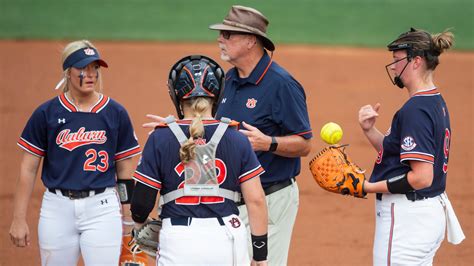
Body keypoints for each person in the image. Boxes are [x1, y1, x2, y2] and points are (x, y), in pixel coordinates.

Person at [9, 40, 142, 265]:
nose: (90, 74)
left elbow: (125, 173)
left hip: (102, 208)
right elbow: (28, 168)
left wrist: (129, 221)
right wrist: (18, 219)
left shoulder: (115, 113)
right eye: (83, 68)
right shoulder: (47, 113)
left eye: (95, 68)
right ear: (68, 72)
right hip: (56, 209)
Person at [130, 55, 268, 265]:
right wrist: (260, 255)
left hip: (179, 241)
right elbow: (256, 200)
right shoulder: (237, 138)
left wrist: (141, 223)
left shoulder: (160, 138)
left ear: (176, 95)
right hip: (229, 239)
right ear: (217, 94)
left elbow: (141, 203)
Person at [208, 5, 313, 265]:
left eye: (228, 35)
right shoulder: (227, 81)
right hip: (231, 200)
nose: (220, 39)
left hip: (271, 199)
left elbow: (304, 143)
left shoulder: (281, 85)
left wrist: (268, 142)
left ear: (250, 40)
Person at [359, 28, 465, 265]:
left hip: (407, 221)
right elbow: (399, 157)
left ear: (416, 61)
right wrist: (369, 131)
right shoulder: (434, 100)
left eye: (397, 60)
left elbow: (421, 177)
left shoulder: (415, 110)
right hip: (425, 216)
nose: (394, 66)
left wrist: (367, 186)